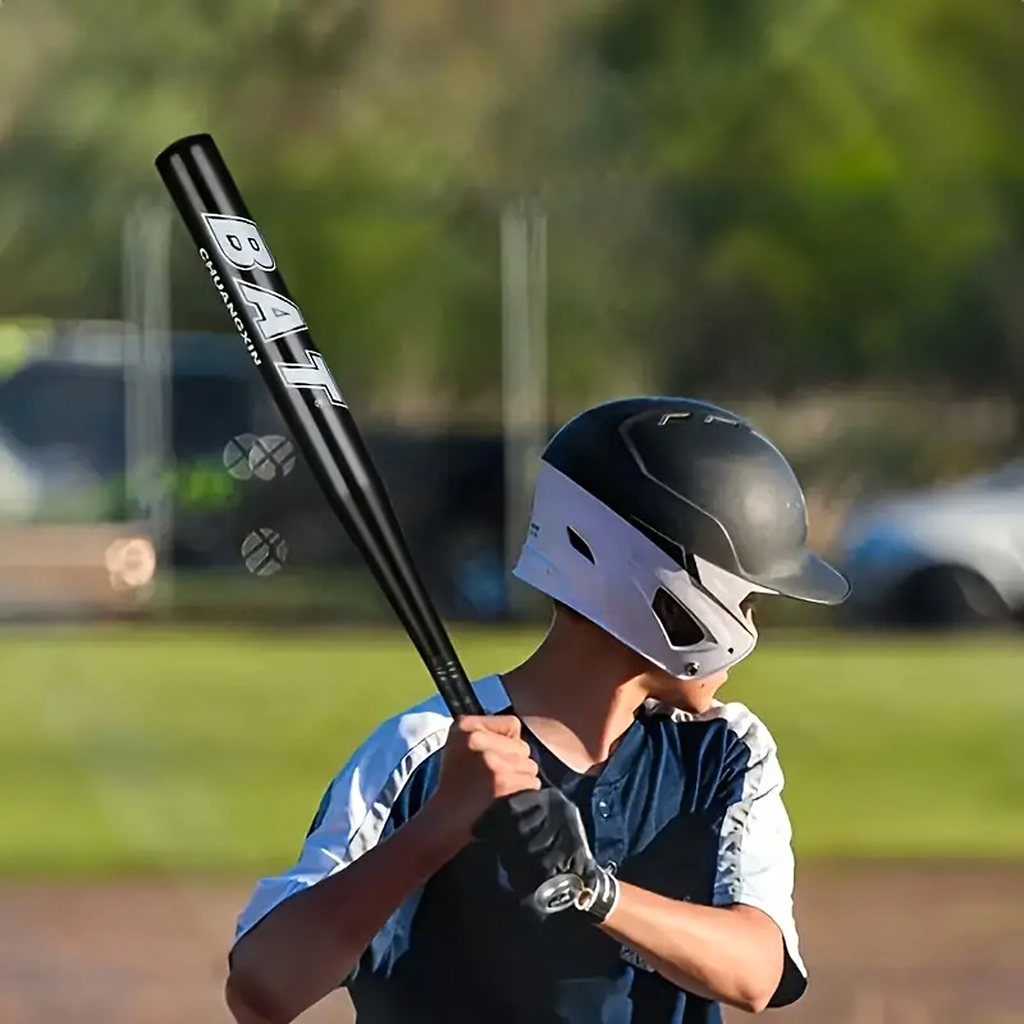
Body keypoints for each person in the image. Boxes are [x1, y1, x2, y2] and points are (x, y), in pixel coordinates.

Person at [225, 396, 850, 1024]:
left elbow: (755, 972)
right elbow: (262, 990)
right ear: (669, 589)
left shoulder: (723, 749)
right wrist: (440, 826)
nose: (752, 625)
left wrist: (592, 889)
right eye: (746, 598)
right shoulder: (430, 749)